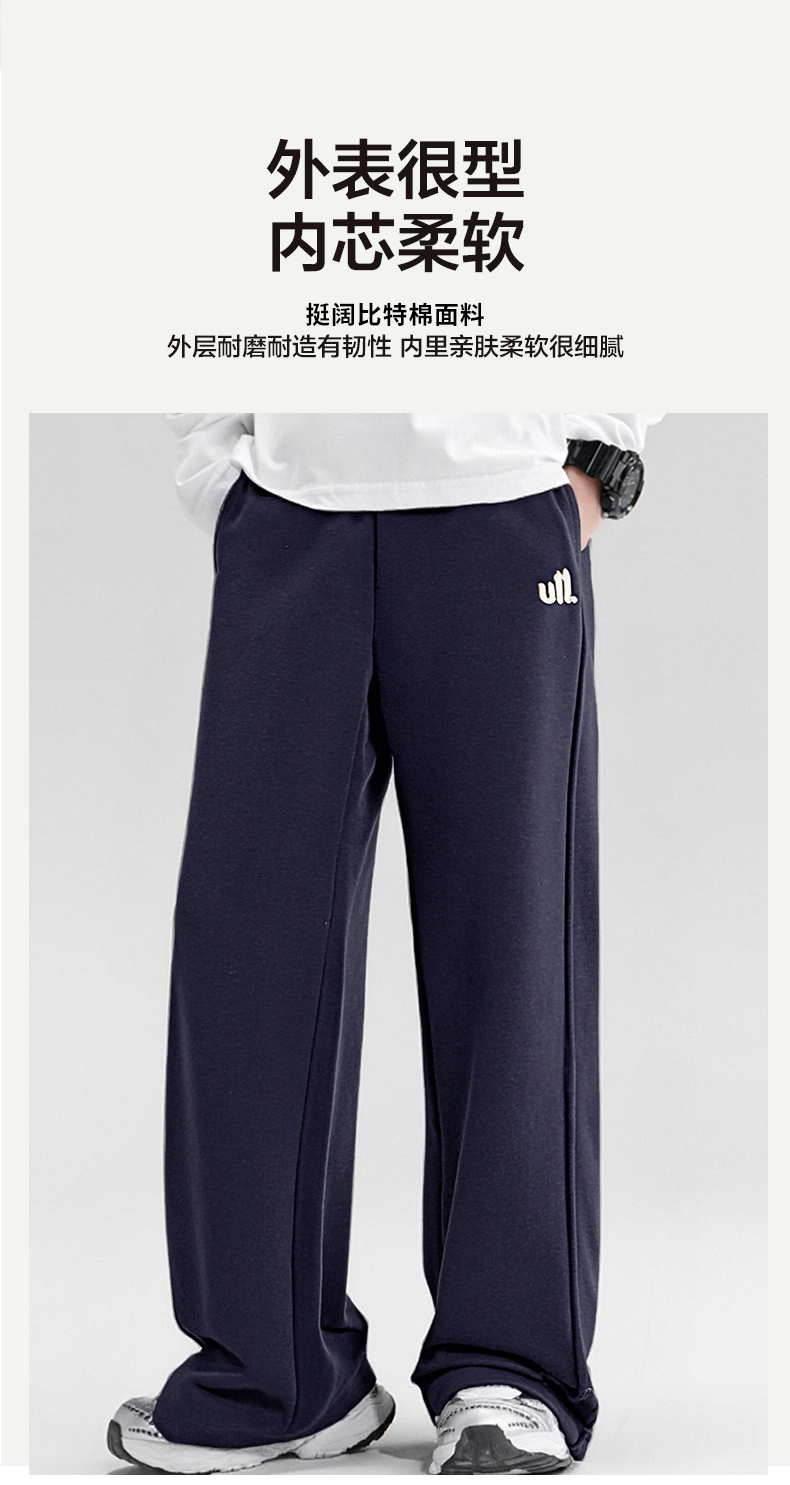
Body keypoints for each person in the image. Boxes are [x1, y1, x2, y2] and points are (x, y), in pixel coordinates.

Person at [108, 413, 664, 1475]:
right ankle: (275, 1377)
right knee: (247, 947)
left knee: (513, 942)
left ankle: (511, 1370)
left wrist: (597, 459)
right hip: (289, 514)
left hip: (501, 507)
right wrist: (223, 474)